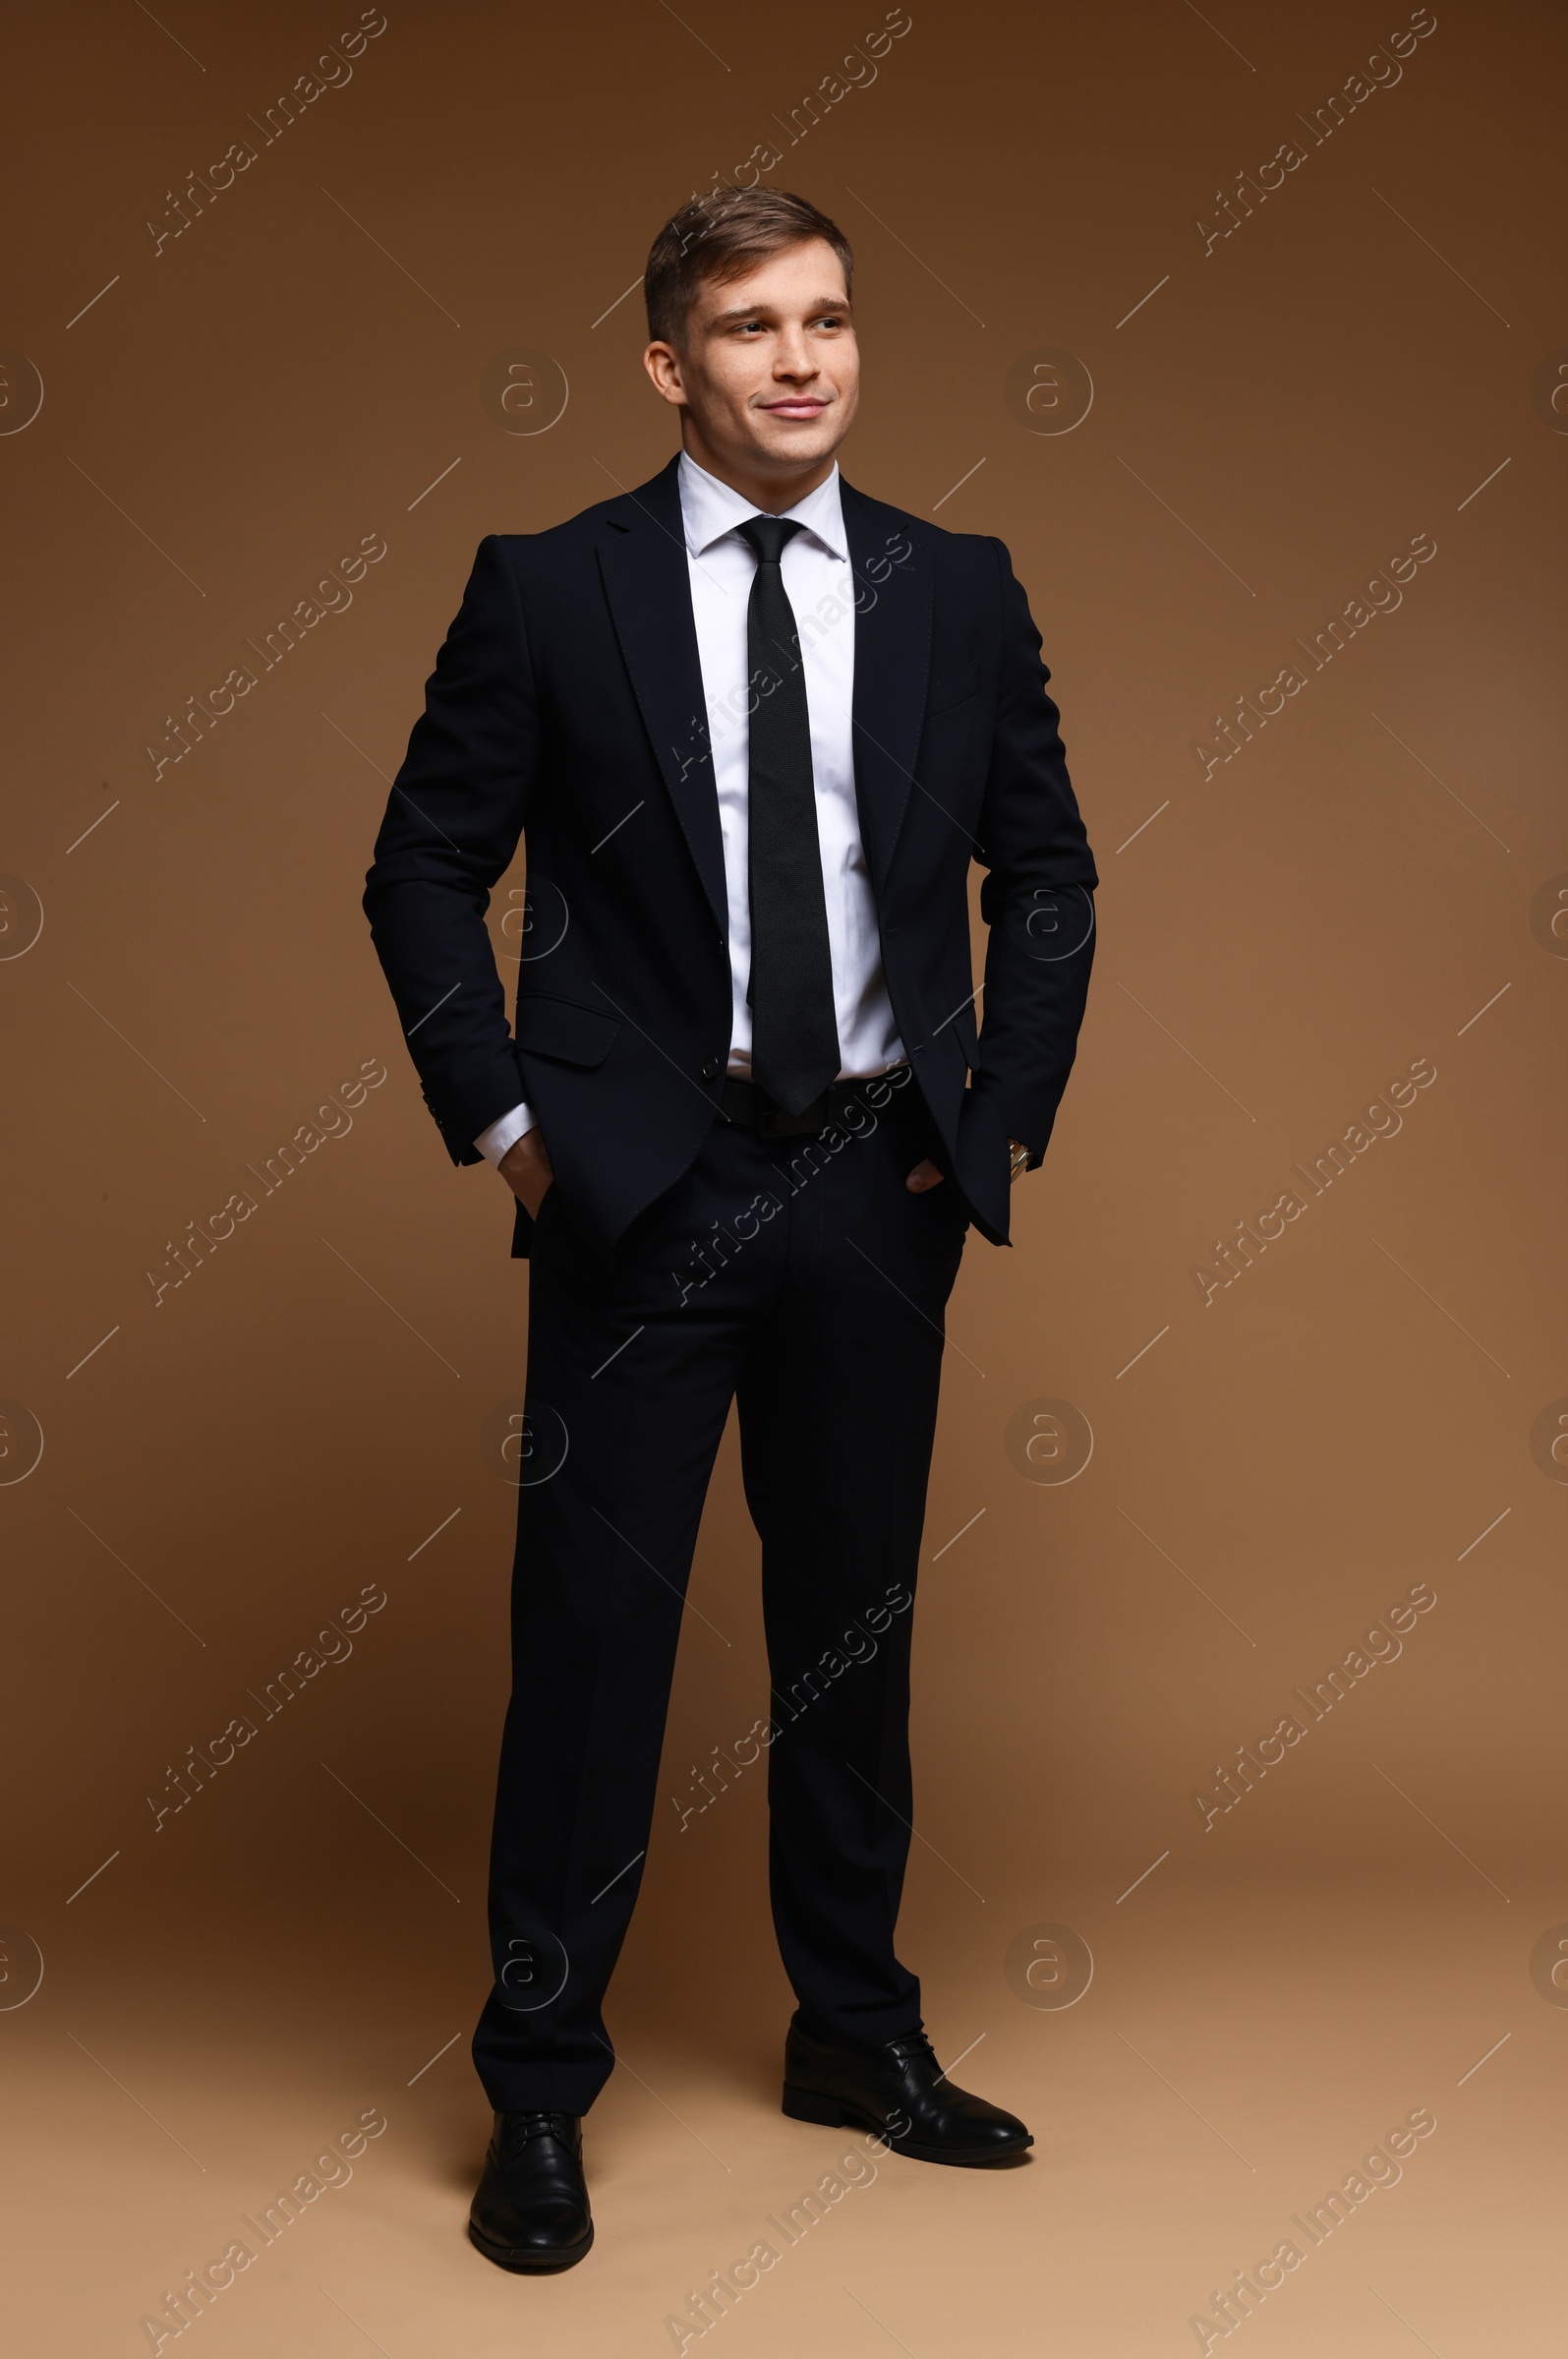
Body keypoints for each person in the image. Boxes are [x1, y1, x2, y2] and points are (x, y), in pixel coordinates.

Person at [363, 185, 1097, 2273]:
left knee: (850, 1643)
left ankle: (854, 2034)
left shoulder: (956, 588)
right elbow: (417, 871)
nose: (800, 360)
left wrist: (991, 1120)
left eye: (831, 321)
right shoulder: (545, 588)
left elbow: (1047, 871)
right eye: (752, 326)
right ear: (669, 366)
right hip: (639, 1193)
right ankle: (534, 2098)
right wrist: (511, 1126)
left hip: (879, 1183)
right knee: (590, 1663)